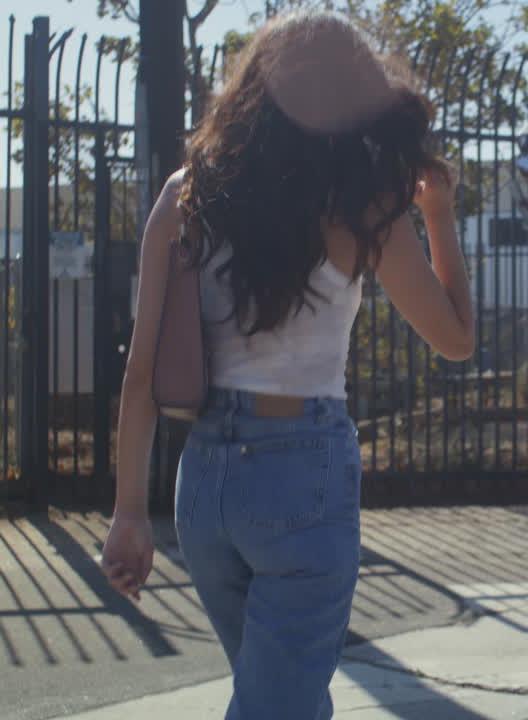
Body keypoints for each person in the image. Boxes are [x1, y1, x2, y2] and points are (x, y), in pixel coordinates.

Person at [99, 10, 475, 719]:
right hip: (303, 476)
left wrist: (127, 514)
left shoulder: (186, 194)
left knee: (274, 697)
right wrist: (440, 215)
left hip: (204, 484)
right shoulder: (364, 206)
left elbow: (140, 373)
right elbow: (455, 338)